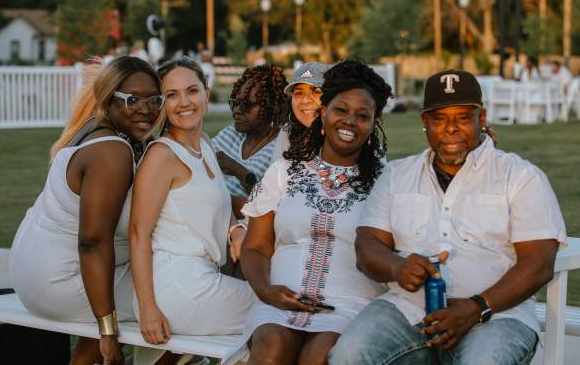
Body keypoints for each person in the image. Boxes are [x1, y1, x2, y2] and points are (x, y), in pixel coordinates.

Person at [329, 69, 567, 365]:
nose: (451, 129)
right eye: (440, 119)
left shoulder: (520, 177)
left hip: (496, 315)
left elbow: (538, 264)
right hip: (409, 308)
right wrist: (398, 266)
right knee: (348, 355)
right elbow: (367, 247)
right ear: (425, 122)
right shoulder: (396, 176)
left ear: (481, 118)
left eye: (463, 118)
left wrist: (475, 308)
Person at [10, 56, 164, 365]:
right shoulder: (111, 152)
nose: (146, 109)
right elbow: (93, 244)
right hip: (58, 282)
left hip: (32, 273)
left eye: (154, 99)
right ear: (109, 99)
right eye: (133, 99)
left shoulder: (92, 131)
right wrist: (107, 332)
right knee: (176, 289)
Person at [240, 60, 393, 364]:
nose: (350, 121)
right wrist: (266, 291)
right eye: (341, 110)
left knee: (319, 357)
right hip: (279, 301)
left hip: (350, 306)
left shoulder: (387, 182)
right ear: (324, 113)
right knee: (271, 351)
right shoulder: (283, 172)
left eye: (363, 115)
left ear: (373, 124)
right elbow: (255, 246)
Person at [129, 57, 256, 365]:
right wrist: (148, 308)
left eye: (191, 91)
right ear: (161, 104)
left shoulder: (205, 144)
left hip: (200, 277)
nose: (184, 102)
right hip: (173, 286)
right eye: (172, 95)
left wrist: (236, 228)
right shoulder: (162, 155)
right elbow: (138, 234)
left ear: (206, 94)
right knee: (276, 312)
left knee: (276, 309)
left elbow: (219, 199)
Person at [212, 65, 289, 217]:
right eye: (235, 102)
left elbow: (271, 203)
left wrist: (238, 171)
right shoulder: (231, 132)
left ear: (271, 107)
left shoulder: (282, 147)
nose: (237, 110)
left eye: (246, 105)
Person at [271, 62, 328, 161]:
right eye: (299, 93)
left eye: (317, 92)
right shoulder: (288, 131)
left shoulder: (342, 134)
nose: (305, 100)